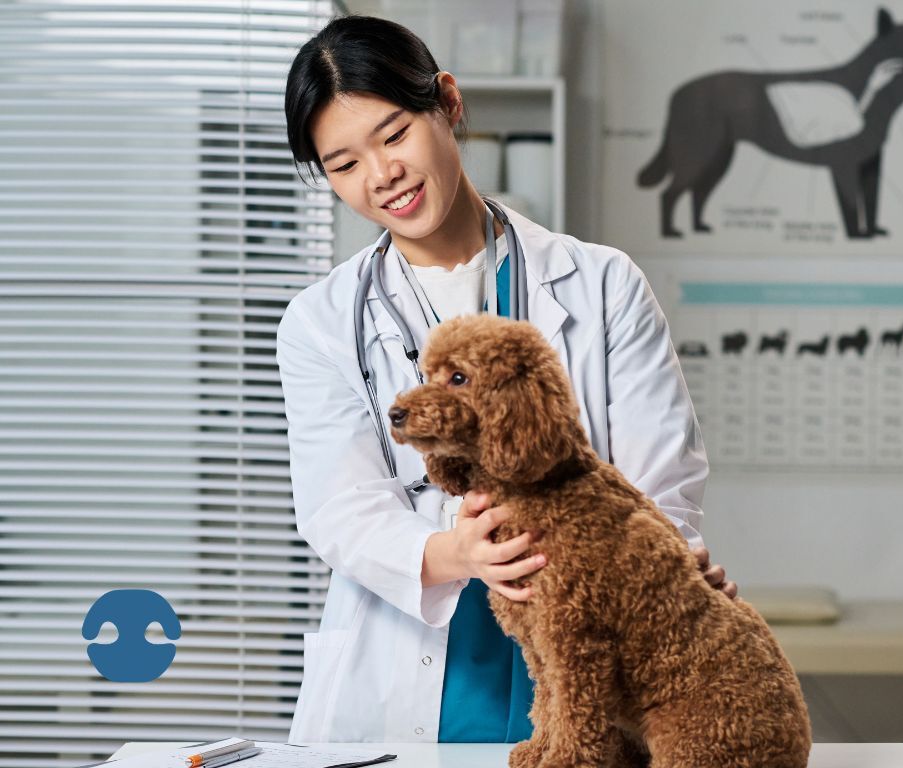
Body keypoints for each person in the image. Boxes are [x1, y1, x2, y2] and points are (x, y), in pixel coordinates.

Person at [277, 15, 734, 744]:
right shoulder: (321, 322)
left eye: (394, 135)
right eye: (344, 163)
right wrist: (455, 552)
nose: (381, 175)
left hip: (587, 625)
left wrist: (667, 575)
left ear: (448, 104)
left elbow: (663, 482)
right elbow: (340, 507)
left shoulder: (603, 285)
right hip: (409, 655)